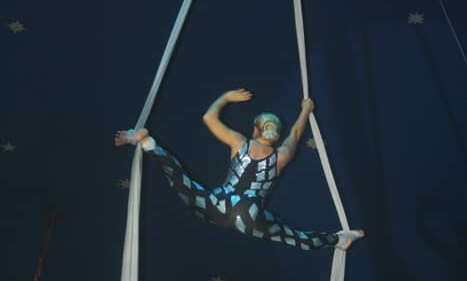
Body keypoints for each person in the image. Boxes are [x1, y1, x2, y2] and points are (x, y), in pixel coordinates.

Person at [115, 89, 364, 251]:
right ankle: (337, 240)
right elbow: (296, 133)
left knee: (181, 182)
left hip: (217, 205)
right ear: (276, 135)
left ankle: (148, 144)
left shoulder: (240, 143)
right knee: (294, 237)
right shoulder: (281, 155)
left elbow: (209, 118)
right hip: (249, 215)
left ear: (255, 130)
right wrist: (306, 110)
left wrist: (226, 98)